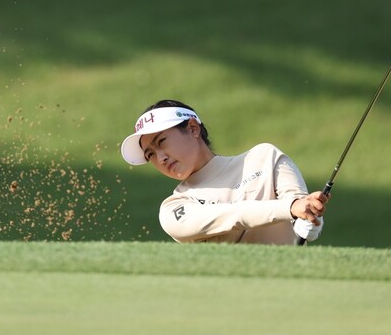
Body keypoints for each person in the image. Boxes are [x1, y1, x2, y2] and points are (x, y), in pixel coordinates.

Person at [120, 99, 328, 244]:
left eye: (162, 142)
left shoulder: (265, 157)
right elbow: (233, 215)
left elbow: (303, 209)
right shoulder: (173, 209)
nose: (160, 158)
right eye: (150, 155)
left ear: (193, 128)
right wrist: (291, 208)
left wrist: (309, 221)